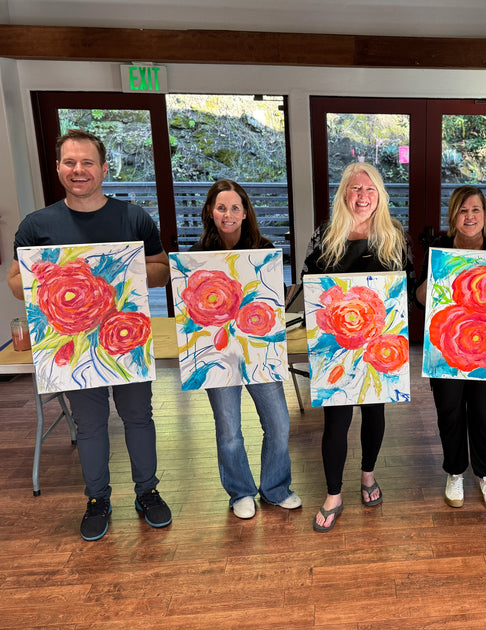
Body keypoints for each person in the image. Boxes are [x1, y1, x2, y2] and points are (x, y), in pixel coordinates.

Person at [7, 129, 172, 541]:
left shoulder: (133, 217)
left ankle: (147, 492)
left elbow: (162, 271)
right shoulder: (37, 225)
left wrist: (119, 269)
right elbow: (14, 282)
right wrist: (47, 276)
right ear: (58, 168)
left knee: (138, 418)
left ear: (103, 168)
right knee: (91, 424)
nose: (78, 170)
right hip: (74, 345)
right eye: (69, 162)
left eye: (87, 163)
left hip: (127, 339)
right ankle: (97, 498)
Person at [302, 162, 414, 532]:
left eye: (370, 189)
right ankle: (333, 493)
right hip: (336, 345)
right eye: (355, 189)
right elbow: (309, 284)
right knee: (336, 420)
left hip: (380, 346)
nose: (363, 196)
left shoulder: (395, 235)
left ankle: (368, 475)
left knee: (374, 412)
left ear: (380, 194)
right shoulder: (325, 235)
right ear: (344, 194)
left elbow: (407, 286)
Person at [190, 179, 300, 519]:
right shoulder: (195, 257)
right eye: (221, 207)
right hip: (217, 353)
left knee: (279, 423)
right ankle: (240, 491)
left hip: (258, 351)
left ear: (245, 211)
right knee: (229, 429)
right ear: (210, 210)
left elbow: (276, 300)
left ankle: (275, 488)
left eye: (235, 207)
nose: (228, 214)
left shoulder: (263, 249)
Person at [415, 186, 486, 511]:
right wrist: (428, 287)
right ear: (453, 217)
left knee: (484, 415)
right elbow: (419, 300)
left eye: (475, 210)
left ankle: (485, 474)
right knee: (450, 411)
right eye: (462, 211)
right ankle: (455, 470)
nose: (469, 217)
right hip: (446, 349)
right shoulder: (438, 250)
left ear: (485, 215)